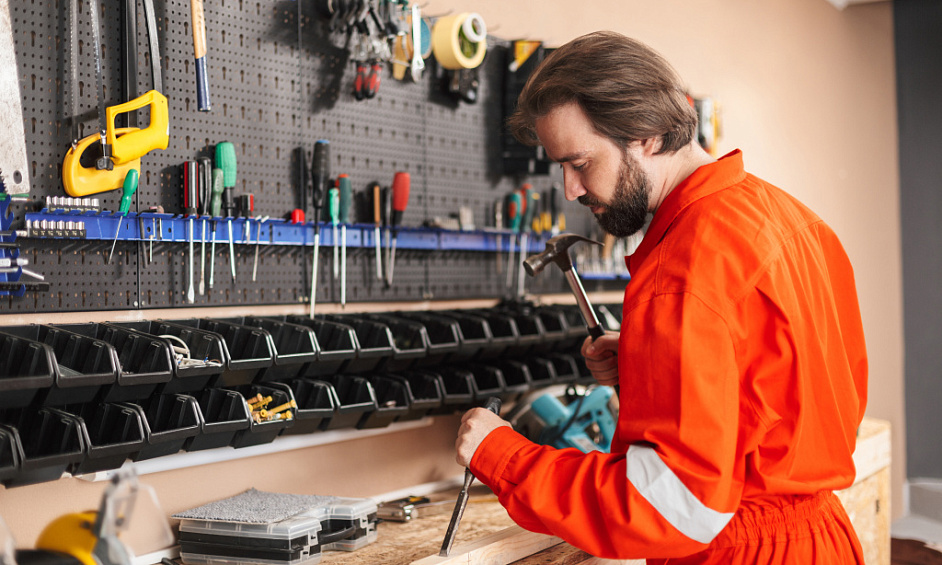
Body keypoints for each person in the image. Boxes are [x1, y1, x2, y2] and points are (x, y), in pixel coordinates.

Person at [454, 31, 868, 564]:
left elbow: (671, 508)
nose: (570, 189)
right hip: (821, 540)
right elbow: (796, 395)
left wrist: (503, 456)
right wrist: (653, 368)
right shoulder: (795, 221)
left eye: (580, 163)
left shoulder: (682, 265)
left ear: (646, 134)